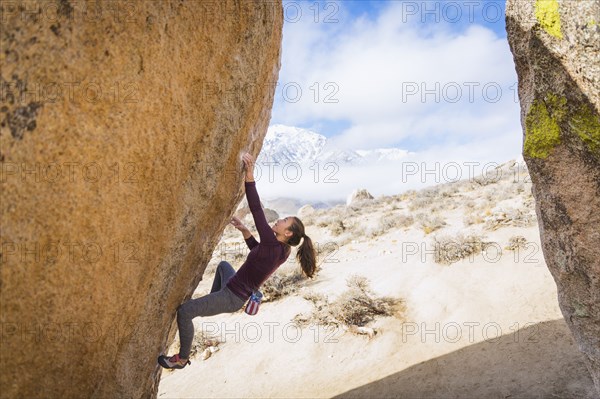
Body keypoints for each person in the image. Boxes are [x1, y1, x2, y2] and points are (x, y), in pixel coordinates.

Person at [158, 152, 317, 369]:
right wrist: (245, 231)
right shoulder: (281, 250)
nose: (279, 220)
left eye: (284, 221)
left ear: (288, 233)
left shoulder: (273, 244)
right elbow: (257, 254)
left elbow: (256, 210)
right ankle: (209, 302)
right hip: (233, 289)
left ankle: (182, 358)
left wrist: (249, 175)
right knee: (223, 266)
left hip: (232, 297)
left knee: (185, 311)